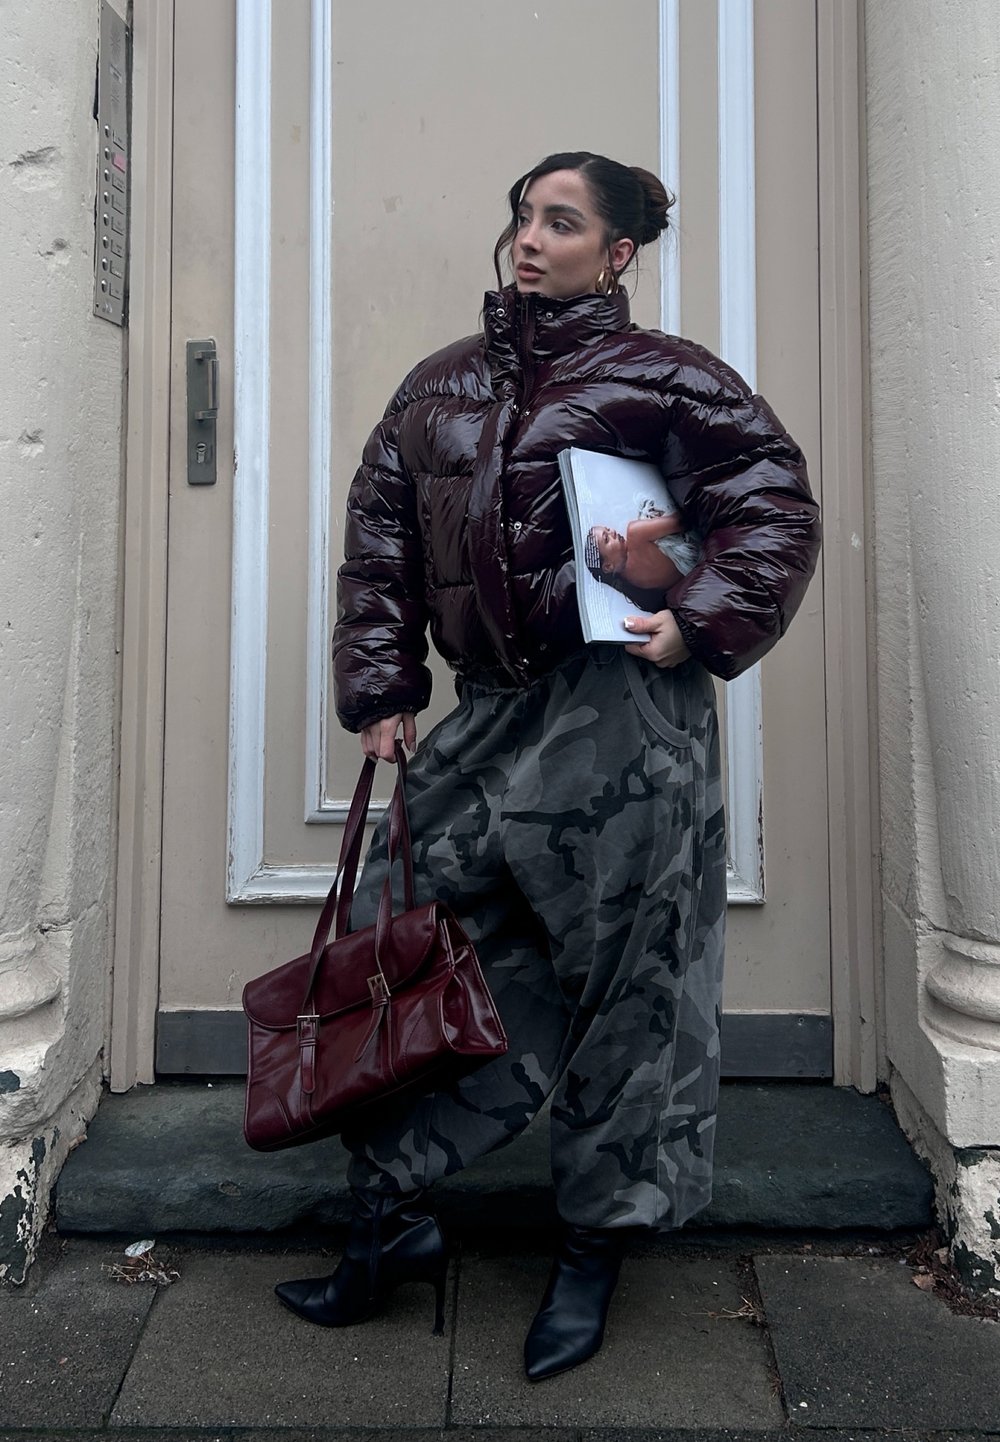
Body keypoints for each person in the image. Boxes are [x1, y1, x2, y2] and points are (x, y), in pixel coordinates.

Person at [275, 151, 821, 1380]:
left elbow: (772, 499)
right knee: (400, 948)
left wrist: (702, 616)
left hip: (626, 713)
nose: (530, 238)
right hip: (491, 711)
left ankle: (592, 1247)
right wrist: (382, 692)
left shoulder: (667, 377)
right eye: (523, 215)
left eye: (561, 222)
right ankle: (395, 1206)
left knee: (635, 977)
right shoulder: (440, 387)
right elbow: (379, 542)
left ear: (617, 252)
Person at [586, 495, 702, 607]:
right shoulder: (635, 533)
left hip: (697, 581)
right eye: (606, 539)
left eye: (608, 529)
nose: (613, 532)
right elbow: (682, 521)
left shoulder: (634, 587)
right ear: (608, 566)